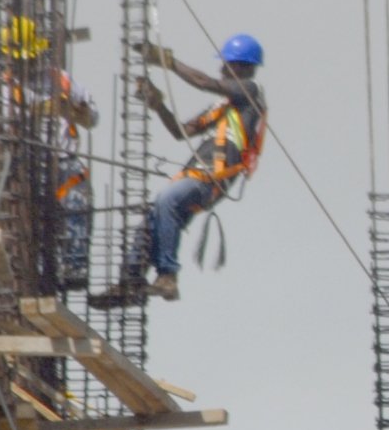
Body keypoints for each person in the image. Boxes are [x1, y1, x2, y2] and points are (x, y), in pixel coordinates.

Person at [89, 35, 266, 308]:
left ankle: (167, 276)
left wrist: (167, 61)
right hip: (197, 175)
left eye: (226, 66)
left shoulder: (250, 92)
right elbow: (181, 132)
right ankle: (130, 282)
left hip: (211, 178)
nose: (221, 70)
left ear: (242, 67)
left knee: (167, 200)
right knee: (153, 220)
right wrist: (158, 105)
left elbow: (204, 82)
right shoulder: (225, 107)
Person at [0, 16, 99, 290]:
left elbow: (92, 118)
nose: (28, 63)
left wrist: (74, 110)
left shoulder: (60, 79)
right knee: (28, 221)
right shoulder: (6, 88)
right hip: (28, 165)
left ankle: (74, 266)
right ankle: (30, 274)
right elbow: (1, 135)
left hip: (64, 162)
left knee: (78, 203)